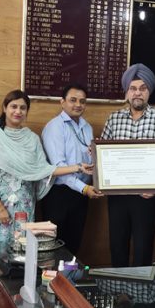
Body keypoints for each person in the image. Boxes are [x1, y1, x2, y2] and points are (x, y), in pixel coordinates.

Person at [0, 89, 92, 255]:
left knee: (23, 254)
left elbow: (45, 170)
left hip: (25, 207)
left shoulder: (32, 139)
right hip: (0, 207)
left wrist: (78, 167)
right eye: (13, 106)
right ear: (4, 108)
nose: (18, 111)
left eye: (23, 108)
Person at [101, 64, 155, 267]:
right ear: (127, 92)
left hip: (147, 196)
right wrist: (97, 156)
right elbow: (104, 155)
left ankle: (140, 297)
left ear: (149, 91)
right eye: (133, 88)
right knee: (117, 246)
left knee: (143, 248)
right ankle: (120, 295)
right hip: (117, 196)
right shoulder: (114, 118)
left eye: (142, 88)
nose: (137, 93)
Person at [41, 83, 102, 254]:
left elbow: (89, 164)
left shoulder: (87, 127)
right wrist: (84, 188)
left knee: (74, 244)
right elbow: (59, 167)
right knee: (55, 247)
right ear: (62, 102)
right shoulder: (55, 127)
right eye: (73, 100)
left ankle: (68, 280)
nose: (78, 105)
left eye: (82, 101)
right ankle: (52, 281)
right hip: (59, 195)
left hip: (81, 195)